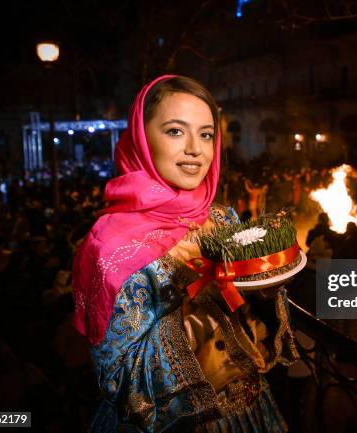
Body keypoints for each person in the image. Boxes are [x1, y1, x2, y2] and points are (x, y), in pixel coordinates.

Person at [72, 75, 298, 433]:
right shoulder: (109, 245)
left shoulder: (223, 218)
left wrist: (266, 289)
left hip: (251, 417)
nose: (195, 148)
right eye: (176, 131)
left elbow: (258, 327)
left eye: (206, 134)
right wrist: (198, 314)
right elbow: (119, 381)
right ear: (143, 139)